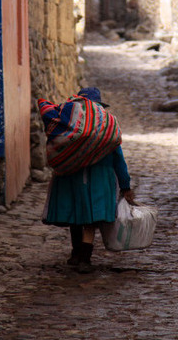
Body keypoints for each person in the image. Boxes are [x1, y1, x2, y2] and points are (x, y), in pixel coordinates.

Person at [42, 87, 135, 273]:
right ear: (99, 106)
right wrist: (125, 185)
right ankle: (85, 258)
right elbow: (119, 160)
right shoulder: (107, 128)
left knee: (75, 216)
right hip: (99, 180)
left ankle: (75, 254)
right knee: (90, 221)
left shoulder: (70, 128)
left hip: (71, 177)